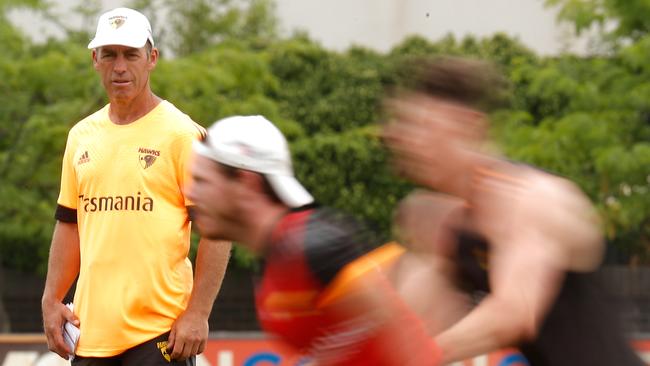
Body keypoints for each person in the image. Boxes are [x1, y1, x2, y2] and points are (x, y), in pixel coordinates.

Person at [383, 57, 645, 365]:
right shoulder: (447, 220)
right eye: (406, 126)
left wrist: (415, 356)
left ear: (470, 125)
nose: (409, 141)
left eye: (425, 127)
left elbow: (514, 315)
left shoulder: (531, 199)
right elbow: (423, 320)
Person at [41, 7, 232, 365]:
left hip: (159, 336)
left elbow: (218, 231)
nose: (120, 67)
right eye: (109, 54)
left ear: (152, 58)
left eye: (131, 54)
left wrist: (198, 313)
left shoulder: (183, 135)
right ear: (94, 59)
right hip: (89, 335)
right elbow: (69, 224)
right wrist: (51, 300)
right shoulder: (81, 136)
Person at [187, 115, 441, 365]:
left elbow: (409, 334)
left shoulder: (315, 246)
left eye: (202, 181)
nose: (190, 193)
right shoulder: (277, 259)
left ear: (246, 183)